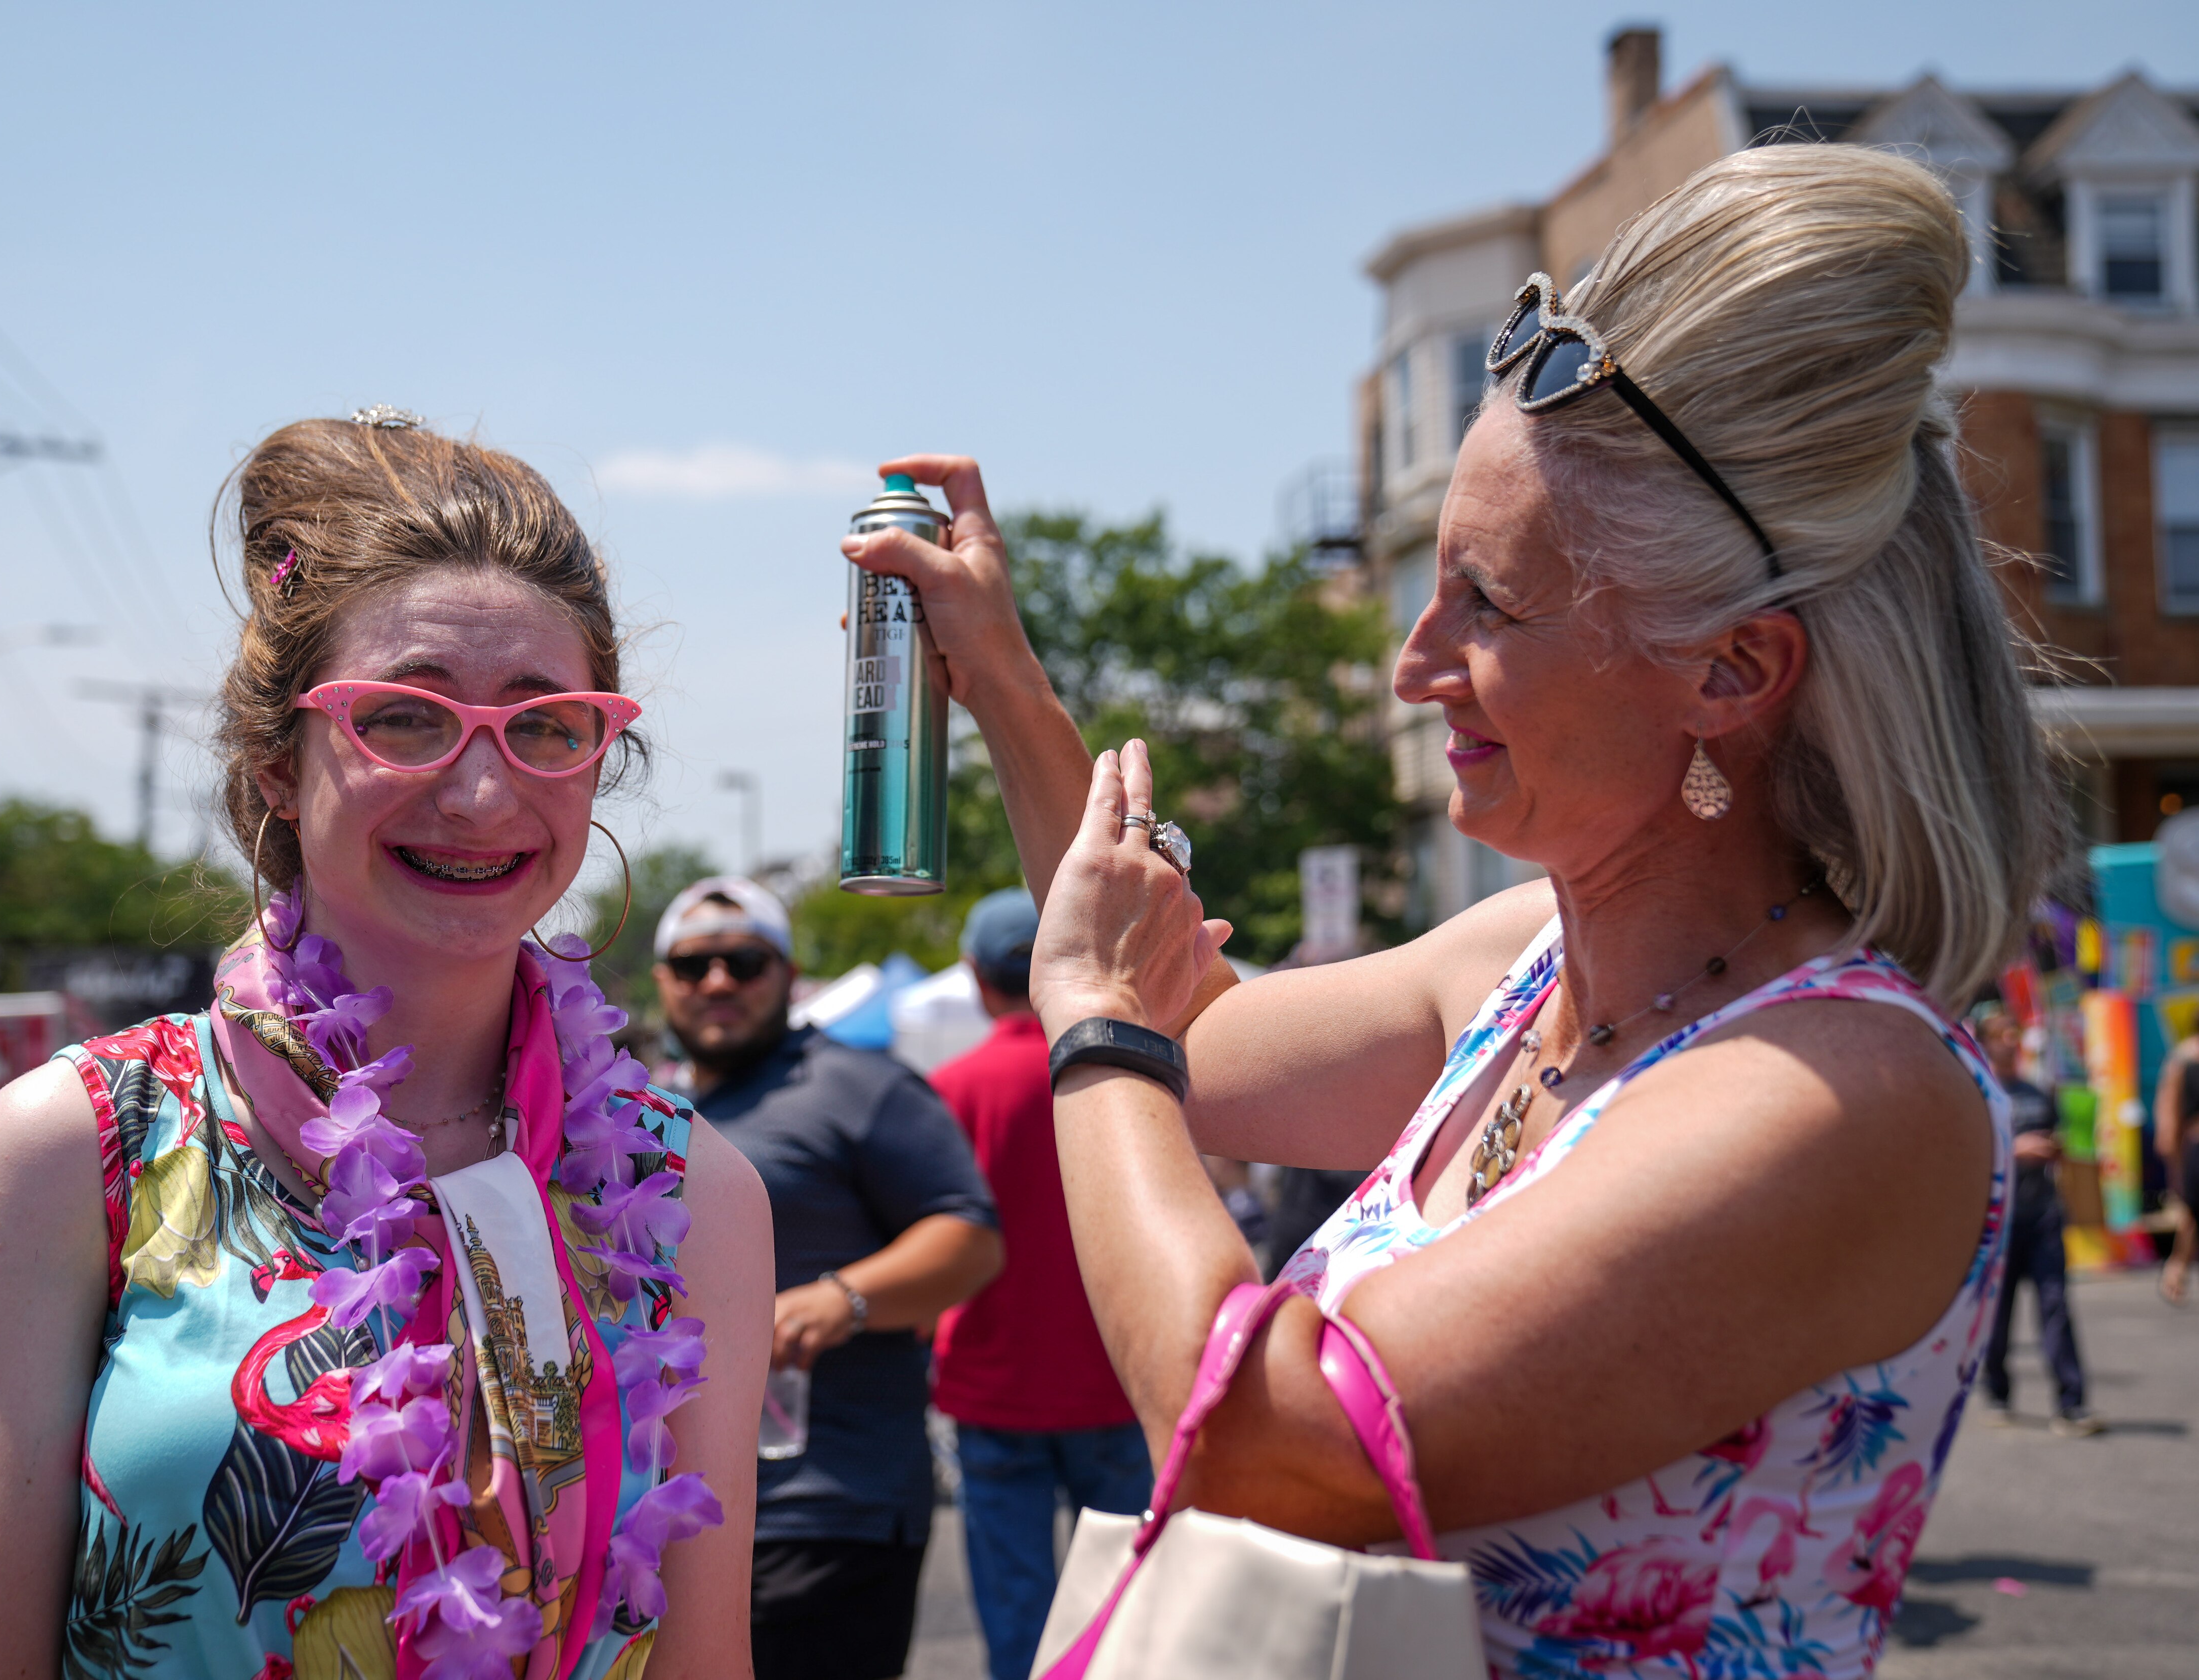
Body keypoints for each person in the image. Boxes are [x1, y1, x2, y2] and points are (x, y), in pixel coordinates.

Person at [848, 145, 2055, 1679]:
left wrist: (1087, 1030)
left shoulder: (1843, 1094)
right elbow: (1195, 1042)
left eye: (1487, 604)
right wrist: (1005, 684)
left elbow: (1262, 1443)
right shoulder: (1526, 964)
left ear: (1727, 673)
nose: (1414, 665)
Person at [0, 413, 774, 1680]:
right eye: (404, 720)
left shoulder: (688, 1192)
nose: (482, 793)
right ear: (275, 767)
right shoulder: (80, 1149)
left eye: (546, 724)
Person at [650, 875, 1003, 1680]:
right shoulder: (653, 1106)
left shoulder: (855, 1085)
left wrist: (842, 1298)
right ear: (662, 979)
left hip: (829, 1507)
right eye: (693, 964)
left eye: (745, 962)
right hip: (680, 1517)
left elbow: (972, 1236)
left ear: (788, 973)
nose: (718, 982)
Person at [925, 888, 1151, 1680]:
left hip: (994, 1384)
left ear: (976, 978)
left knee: (1019, 1617)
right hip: (1117, 1377)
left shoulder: (950, 1088)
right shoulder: (1128, 1069)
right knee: (1126, 1618)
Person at [1976, 1013, 2101, 1434]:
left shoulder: (2038, 1090)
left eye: (2014, 1033)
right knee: (1998, 1314)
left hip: (2044, 1214)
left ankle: (2072, 1404)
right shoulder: (1979, 1092)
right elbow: (1965, 1156)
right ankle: (1997, 1393)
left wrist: (2066, 1148)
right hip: (2000, 1221)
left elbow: (2059, 1139)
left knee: (2056, 1307)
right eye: (2001, 1035)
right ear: (1986, 1043)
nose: (2011, 1041)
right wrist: (2014, 1150)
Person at [2157, 1027, 2198, 1304]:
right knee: (2192, 1214)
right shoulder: (2184, 1058)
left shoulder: (2182, 1057)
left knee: (2191, 1216)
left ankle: (2175, 1271)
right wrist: (2173, 1163)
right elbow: (2169, 1115)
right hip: (2195, 1147)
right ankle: (2175, 1270)